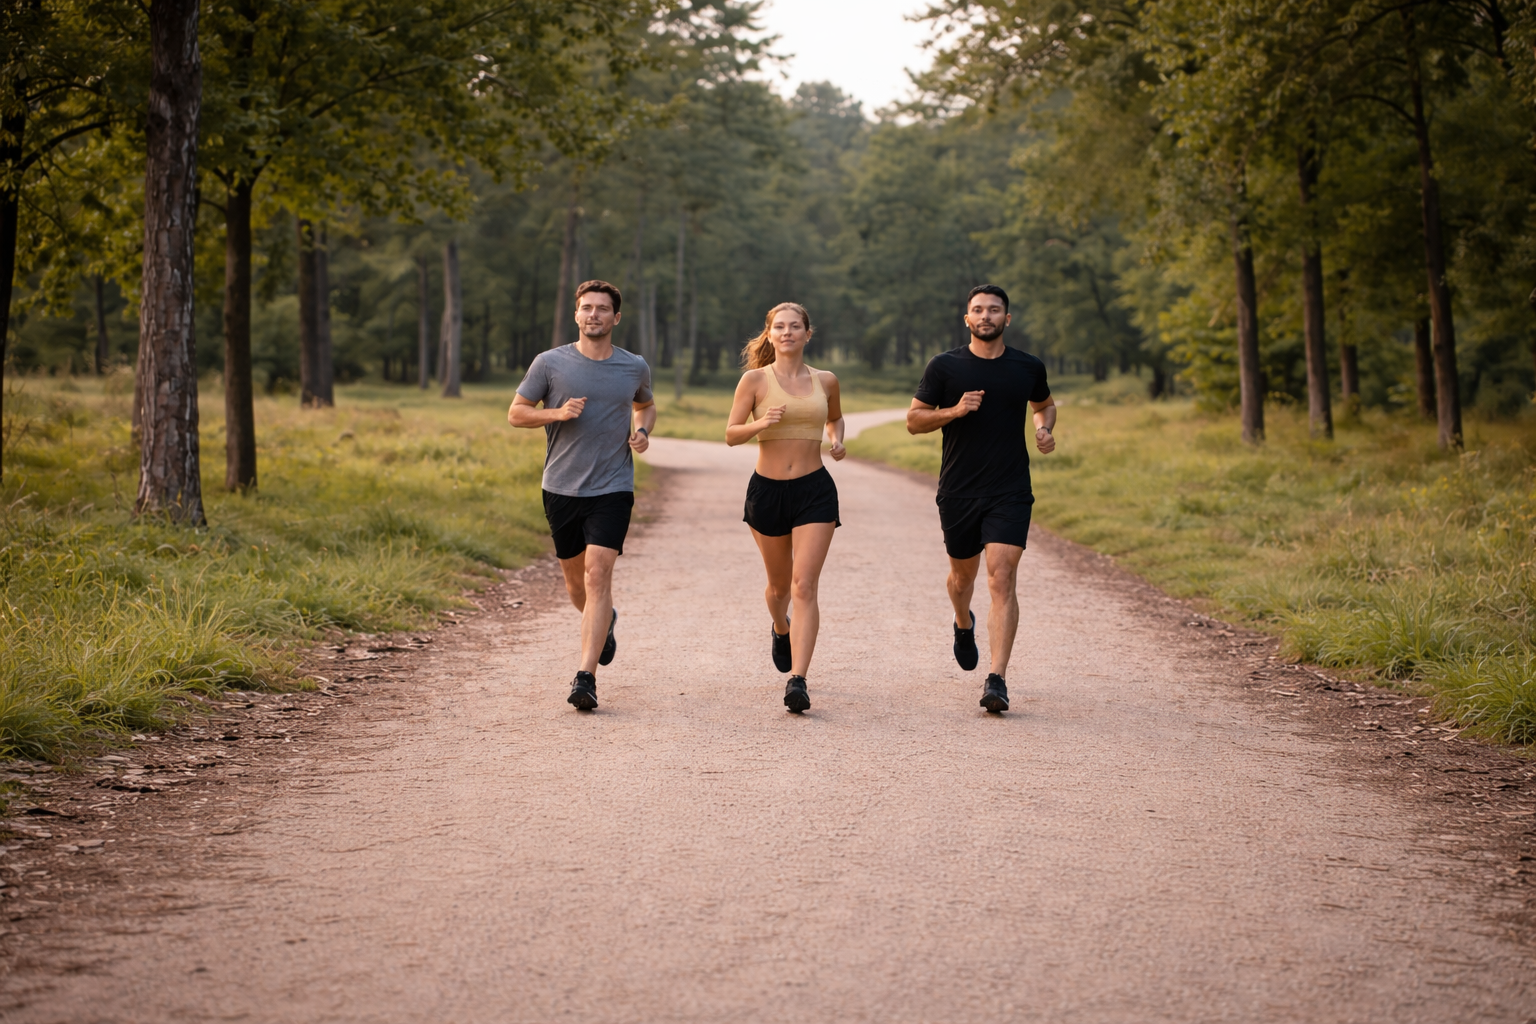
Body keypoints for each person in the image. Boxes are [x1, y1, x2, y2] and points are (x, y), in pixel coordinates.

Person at [907, 284, 1056, 713]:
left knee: (1001, 577)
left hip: (1010, 490)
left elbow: (1044, 405)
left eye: (994, 310)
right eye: (978, 310)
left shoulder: (1027, 367)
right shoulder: (945, 367)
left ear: (1007, 319)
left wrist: (1044, 428)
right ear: (966, 319)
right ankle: (962, 620)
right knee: (962, 580)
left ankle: (997, 679)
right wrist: (953, 411)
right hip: (958, 490)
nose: (986, 316)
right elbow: (914, 421)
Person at [508, 280, 656, 710]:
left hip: (613, 486)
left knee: (597, 574)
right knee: (577, 585)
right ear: (576, 314)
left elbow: (644, 404)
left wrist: (642, 430)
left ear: (616, 317)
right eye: (587, 308)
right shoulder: (550, 363)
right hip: (560, 487)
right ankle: (603, 620)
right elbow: (516, 414)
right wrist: (557, 412)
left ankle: (585, 677)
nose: (594, 315)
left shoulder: (634, 366)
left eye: (602, 309)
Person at [726, 302, 845, 713]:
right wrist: (762, 423)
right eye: (780, 327)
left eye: (796, 326)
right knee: (779, 588)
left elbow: (835, 419)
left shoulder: (826, 380)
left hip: (815, 490)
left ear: (808, 334)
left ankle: (799, 679)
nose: (788, 332)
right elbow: (731, 434)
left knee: (803, 586)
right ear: (770, 334)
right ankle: (780, 627)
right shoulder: (754, 381)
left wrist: (836, 439)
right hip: (767, 491)